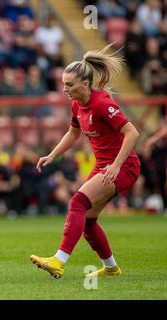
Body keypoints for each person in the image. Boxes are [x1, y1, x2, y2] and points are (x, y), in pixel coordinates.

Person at [30, 44, 141, 279]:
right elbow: (73, 133)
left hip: (124, 167)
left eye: (69, 84)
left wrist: (117, 165)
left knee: (77, 202)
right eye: (63, 84)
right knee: (88, 222)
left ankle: (59, 261)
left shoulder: (102, 104)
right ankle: (111, 268)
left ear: (86, 84)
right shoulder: (77, 104)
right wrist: (52, 155)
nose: (64, 89)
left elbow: (132, 133)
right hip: (104, 167)